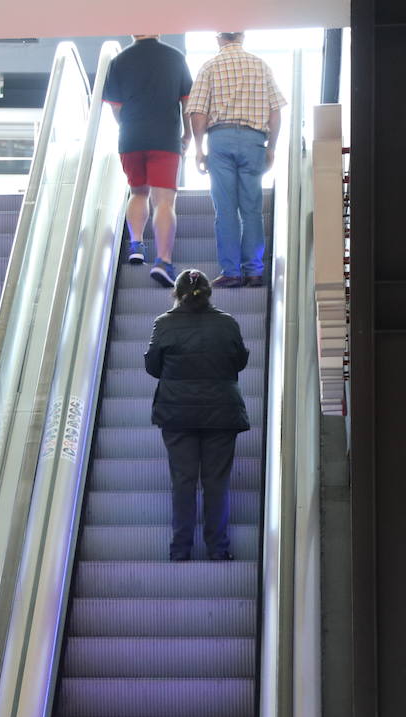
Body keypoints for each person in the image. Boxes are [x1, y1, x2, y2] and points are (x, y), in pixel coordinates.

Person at [144, 269, 251, 561]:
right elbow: (239, 361)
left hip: (176, 414)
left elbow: (153, 367)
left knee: (183, 481)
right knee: (217, 482)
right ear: (209, 293)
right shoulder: (227, 323)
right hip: (222, 413)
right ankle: (218, 548)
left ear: (177, 294)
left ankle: (180, 549)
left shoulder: (164, 324)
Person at [188, 31, 287, 288]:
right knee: (252, 209)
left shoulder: (209, 66)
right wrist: (271, 148)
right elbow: (275, 112)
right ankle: (254, 271)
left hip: (220, 140)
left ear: (218, 38)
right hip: (254, 141)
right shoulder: (261, 65)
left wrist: (199, 149)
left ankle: (231, 271)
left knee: (226, 209)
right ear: (242, 36)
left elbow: (197, 112)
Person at [102, 34, 193, 288]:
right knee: (163, 200)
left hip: (130, 138)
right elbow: (187, 102)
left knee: (138, 192)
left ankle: (137, 246)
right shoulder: (175, 57)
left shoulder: (119, 60)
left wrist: (128, 126)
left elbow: (115, 107)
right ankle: (163, 261)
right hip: (165, 138)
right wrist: (187, 135)